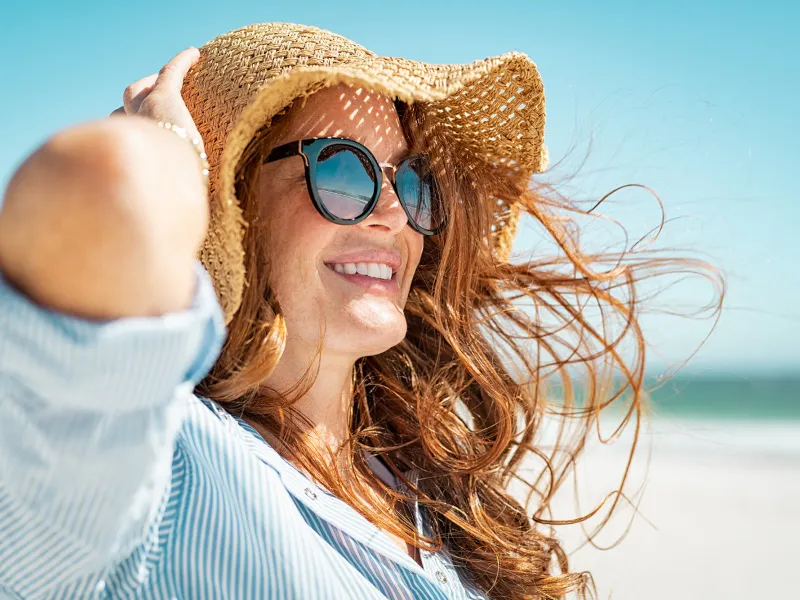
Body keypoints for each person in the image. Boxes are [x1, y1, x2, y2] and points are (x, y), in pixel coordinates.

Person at [0, 22, 720, 600]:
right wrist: (166, 158)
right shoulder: (155, 471)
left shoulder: (424, 489)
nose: (392, 213)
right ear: (230, 199)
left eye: (413, 180)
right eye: (343, 169)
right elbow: (99, 183)